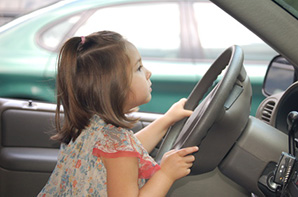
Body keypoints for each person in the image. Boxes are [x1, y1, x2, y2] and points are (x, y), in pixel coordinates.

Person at [38, 30, 199, 197]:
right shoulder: (117, 148)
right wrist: (166, 174)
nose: (148, 72)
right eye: (138, 68)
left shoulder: (90, 127)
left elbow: (131, 150)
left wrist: (167, 120)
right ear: (115, 87)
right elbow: (124, 156)